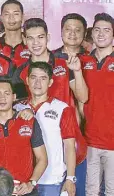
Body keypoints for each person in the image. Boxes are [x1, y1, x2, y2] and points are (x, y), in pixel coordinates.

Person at [0, 76, 48, 196]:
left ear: (14, 97)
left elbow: (42, 158)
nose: (2, 98)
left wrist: (31, 183)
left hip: (25, 191)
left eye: (7, 93)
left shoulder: (29, 121)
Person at [21, 62, 86, 196]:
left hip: (52, 179)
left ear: (50, 82)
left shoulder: (62, 108)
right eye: (33, 77)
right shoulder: (17, 108)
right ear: (27, 80)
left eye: (43, 78)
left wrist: (70, 178)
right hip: (23, 181)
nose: (37, 83)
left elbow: (69, 146)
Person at [13, 18, 88, 107]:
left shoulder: (65, 61)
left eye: (40, 37)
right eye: (30, 38)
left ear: (47, 38)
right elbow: (19, 106)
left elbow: (83, 98)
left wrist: (77, 71)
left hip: (65, 119)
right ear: (24, 40)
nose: (35, 43)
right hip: (36, 120)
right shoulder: (20, 72)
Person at [80, 13, 114, 196]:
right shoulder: (83, 62)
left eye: (106, 30)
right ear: (92, 34)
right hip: (91, 140)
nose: (101, 34)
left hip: (113, 142)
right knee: (91, 191)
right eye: (97, 30)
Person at [0, 0, 30, 67]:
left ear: (23, 17)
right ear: (1, 18)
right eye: (7, 14)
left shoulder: (33, 45)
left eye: (16, 14)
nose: (11, 18)